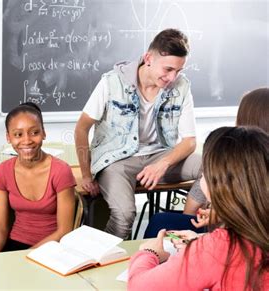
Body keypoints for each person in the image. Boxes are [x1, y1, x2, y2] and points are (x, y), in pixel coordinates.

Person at [74, 28, 201, 239]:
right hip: (117, 159)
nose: (172, 77)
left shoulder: (182, 86)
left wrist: (162, 164)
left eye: (178, 71)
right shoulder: (112, 82)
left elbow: (189, 141)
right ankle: (111, 262)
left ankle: (184, 228)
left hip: (160, 156)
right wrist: (87, 174)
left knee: (217, 168)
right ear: (148, 58)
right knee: (124, 214)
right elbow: (81, 127)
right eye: (168, 69)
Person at [128, 126, 269, 290]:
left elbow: (140, 286)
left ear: (218, 185)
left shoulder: (217, 249)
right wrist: (200, 243)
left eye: (203, 175)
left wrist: (149, 253)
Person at [144, 87, 269, 238]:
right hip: (239, 230)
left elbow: (196, 200)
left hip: (240, 237)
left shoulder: (235, 153)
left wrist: (220, 217)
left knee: (160, 222)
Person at [0, 102, 76, 252]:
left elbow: (64, 231)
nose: (27, 140)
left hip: (53, 248)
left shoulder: (61, 171)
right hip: (16, 244)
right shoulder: (2, 172)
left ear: (44, 133)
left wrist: (27, 256)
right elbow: (0, 227)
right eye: (18, 134)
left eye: (34, 132)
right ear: (8, 137)